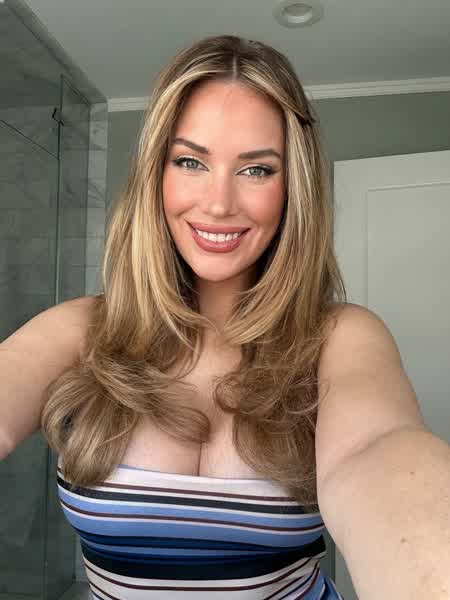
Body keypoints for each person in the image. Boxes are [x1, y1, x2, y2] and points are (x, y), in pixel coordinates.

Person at [2, 35, 449, 600]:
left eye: (256, 170)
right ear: (156, 175)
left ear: (292, 189)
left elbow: (380, 449)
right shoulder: (80, 330)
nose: (218, 203)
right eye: (190, 161)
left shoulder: (339, 337)